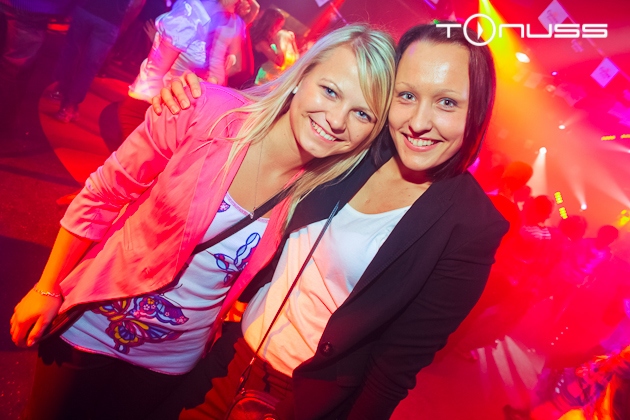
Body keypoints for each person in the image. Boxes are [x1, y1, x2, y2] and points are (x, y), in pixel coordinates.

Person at [9, 24, 396, 420]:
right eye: (330, 91)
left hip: (171, 363)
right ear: (302, 76)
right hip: (93, 326)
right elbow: (106, 192)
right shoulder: (205, 112)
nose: (337, 119)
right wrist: (47, 287)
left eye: (362, 113)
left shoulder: (318, 195)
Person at [153, 22, 508, 419]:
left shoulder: (470, 226)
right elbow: (282, 118)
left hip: (295, 399)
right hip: (227, 353)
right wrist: (199, 98)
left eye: (447, 102)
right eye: (407, 95)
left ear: (477, 110)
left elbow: (393, 370)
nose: (419, 121)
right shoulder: (356, 143)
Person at [118, 0, 250, 140]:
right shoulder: (189, 15)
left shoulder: (211, 21)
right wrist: (160, 114)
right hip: (146, 107)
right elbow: (155, 73)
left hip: (166, 109)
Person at [49, 0, 133, 122]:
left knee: (71, 52)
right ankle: (69, 106)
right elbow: (136, 4)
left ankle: (60, 89)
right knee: (90, 64)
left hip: (86, 9)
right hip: (109, 20)